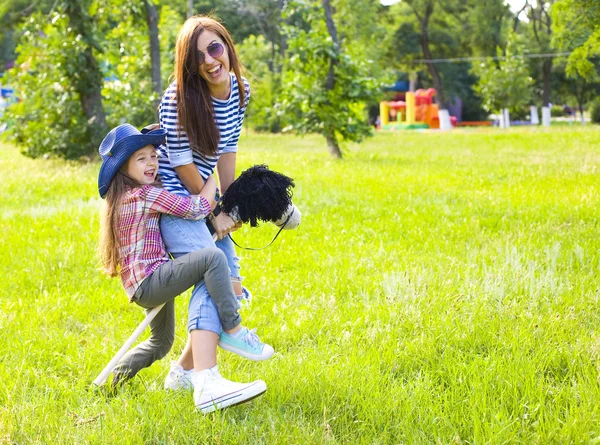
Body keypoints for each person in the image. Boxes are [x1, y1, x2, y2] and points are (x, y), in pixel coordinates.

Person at [98, 123, 273, 413]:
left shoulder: (122, 199)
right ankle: (232, 327)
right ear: (122, 169)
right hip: (153, 280)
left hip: (142, 287)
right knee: (212, 258)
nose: (152, 163)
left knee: (160, 343)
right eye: (141, 159)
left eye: (153, 155)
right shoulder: (144, 195)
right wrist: (211, 174)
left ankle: (109, 384)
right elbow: (196, 207)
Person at [156, 15, 259, 390]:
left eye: (215, 48)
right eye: (198, 57)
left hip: (207, 196)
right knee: (212, 271)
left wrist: (231, 207)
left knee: (229, 285)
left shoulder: (239, 90)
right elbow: (182, 165)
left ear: (227, 47)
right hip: (175, 203)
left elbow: (227, 151)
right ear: (189, 65)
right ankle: (207, 382)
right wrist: (212, 211)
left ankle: (181, 374)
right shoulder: (177, 99)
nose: (210, 61)